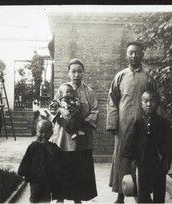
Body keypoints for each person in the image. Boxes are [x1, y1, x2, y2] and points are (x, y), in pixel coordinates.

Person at [106, 41, 158, 203]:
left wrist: (155, 123)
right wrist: (113, 124)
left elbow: (156, 100)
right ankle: (120, 195)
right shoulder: (120, 76)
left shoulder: (149, 76)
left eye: (137, 52)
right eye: (131, 53)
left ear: (142, 54)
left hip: (144, 126)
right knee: (122, 159)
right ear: (126, 55)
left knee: (144, 158)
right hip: (124, 126)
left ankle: (145, 193)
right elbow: (112, 100)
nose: (134, 56)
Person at [50, 58, 99, 203]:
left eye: (79, 71)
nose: (76, 75)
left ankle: (78, 198)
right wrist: (60, 110)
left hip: (82, 137)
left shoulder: (88, 91)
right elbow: (52, 107)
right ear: (68, 73)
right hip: (64, 138)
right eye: (73, 71)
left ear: (83, 72)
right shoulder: (62, 88)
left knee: (79, 170)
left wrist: (84, 122)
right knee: (62, 168)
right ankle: (60, 198)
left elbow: (95, 110)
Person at [122, 90, 172, 203]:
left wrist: (167, 158)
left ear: (158, 103)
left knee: (159, 190)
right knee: (143, 191)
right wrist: (133, 159)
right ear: (141, 103)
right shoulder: (137, 123)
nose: (149, 104)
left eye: (152, 101)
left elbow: (169, 142)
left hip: (159, 163)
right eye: (145, 101)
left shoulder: (163, 122)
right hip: (142, 162)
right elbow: (131, 143)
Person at [18, 120, 63, 203]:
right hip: (35, 180)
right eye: (41, 132)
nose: (43, 135)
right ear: (36, 132)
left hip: (48, 181)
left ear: (51, 133)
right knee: (34, 198)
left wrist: (47, 147)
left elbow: (58, 160)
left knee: (46, 199)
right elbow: (25, 162)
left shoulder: (53, 147)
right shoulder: (32, 147)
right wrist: (27, 174)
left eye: (46, 132)